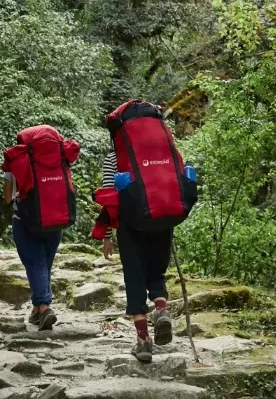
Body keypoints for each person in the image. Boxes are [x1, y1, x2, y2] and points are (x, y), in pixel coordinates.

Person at [91, 99, 197, 362]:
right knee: (156, 272)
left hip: (131, 223)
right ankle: (161, 309)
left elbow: (110, 198)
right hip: (164, 218)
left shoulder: (114, 158)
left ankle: (143, 340)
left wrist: (106, 235)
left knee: (134, 276)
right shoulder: (165, 151)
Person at [2, 125, 80, 330]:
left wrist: (13, 205)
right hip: (56, 218)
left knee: (35, 263)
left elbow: (7, 195)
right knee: (44, 264)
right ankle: (37, 310)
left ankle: (45, 308)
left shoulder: (18, 159)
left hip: (26, 219)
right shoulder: (60, 156)